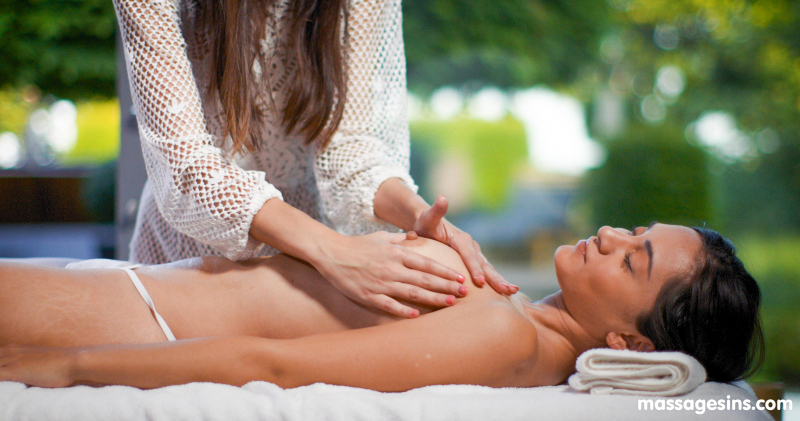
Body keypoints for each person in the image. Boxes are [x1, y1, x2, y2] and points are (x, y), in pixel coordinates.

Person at [114, 0, 515, 318]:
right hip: (191, 248)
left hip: (320, 260)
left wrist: (416, 214)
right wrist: (332, 253)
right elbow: (186, 167)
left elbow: (350, 148)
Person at [0, 223, 763, 390]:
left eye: (633, 257)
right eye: (633, 230)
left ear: (630, 342)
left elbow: (274, 363)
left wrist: (58, 364)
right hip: (127, 288)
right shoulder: (514, 310)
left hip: (128, 321)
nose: (607, 233)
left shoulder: (506, 334)